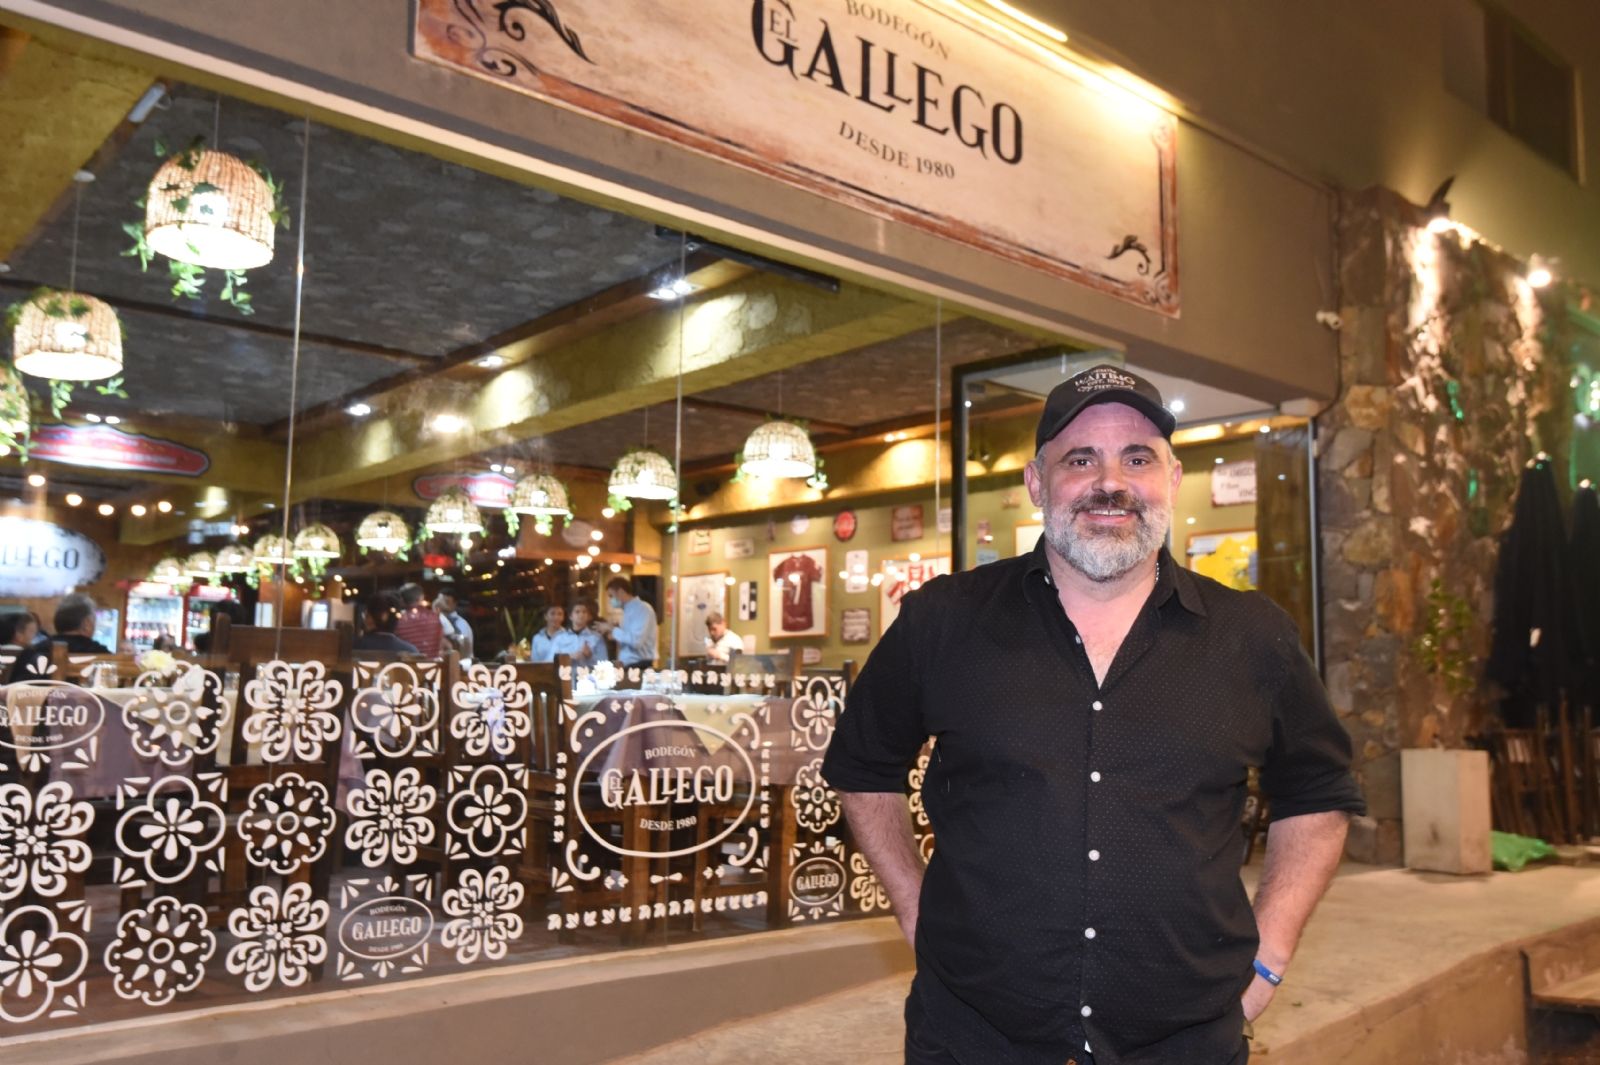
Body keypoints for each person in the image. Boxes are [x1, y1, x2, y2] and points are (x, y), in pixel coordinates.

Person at [823, 365, 1363, 1065]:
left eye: (1137, 459)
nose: (1111, 482)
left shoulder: (1252, 636)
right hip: (973, 1037)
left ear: (1172, 478)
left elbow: (1319, 792)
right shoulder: (944, 620)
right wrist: (914, 906)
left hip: (1184, 1044)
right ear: (1036, 482)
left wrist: (1272, 951)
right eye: (1080, 459)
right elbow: (863, 767)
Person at [604, 577, 657, 667]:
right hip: (628, 663)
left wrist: (613, 630)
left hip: (639, 664)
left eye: (611, 596)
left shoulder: (642, 609)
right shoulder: (627, 610)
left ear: (621, 592)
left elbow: (636, 641)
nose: (610, 600)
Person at [353, 591, 419, 654]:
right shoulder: (411, 651)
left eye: (366, 615)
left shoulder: (355, 646)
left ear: (370, 618)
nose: (364, 620)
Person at [392, 582, 443, 657]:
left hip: (407, 664)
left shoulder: (397, 620)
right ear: (421, 597)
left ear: (401, 600)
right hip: (432, 663)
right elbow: (440, 645)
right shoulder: (434, 617)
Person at [563, 598, 609, 665]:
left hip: (588, 671)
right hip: (565, 671)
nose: (581, 615)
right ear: (570, 616)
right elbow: (551, 660)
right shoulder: (560, 637)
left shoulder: (597, 638)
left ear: (588, 616)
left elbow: (604, 663)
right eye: (577, 612)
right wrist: (569, 657)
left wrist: (590, 655)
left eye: (584, 612)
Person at [436, 590, 474, 662]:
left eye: (446, 602)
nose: (442, 605)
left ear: (455, 603)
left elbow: (462, 648)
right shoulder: (434, 621)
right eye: (440, 602)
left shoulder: (462, 624)